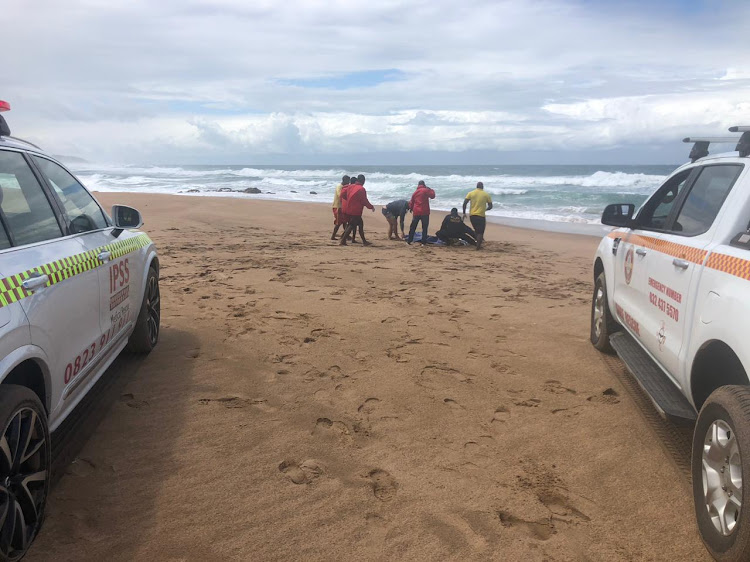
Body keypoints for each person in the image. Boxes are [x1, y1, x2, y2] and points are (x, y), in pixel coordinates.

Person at [340, 174, 374, 246]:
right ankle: (343, 241)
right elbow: (364, 201)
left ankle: (364, 241)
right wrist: (371, 207)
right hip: (356, 211)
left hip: (349, 209)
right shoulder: (361, 189)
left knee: (358, 224)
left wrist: (349, 199)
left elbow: (342, 193)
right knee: (352, 225)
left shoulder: (350, 186)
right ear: (363, 181)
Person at [463, 181, 492, 250]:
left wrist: (464, 213)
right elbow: (490, 206)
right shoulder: (486, 194)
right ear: (482, 187)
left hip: (472, 215)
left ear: (476, 186)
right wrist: (485, 209)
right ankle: (478, 246)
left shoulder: (471, 193)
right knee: (480, 232)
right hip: (481, 216)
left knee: (476, 230)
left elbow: (465, 203)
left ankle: (477, 243)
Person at [407, 180, 435, 245]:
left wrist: (411, 209)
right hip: (425, 212)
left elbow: (411, 202)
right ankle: (423, 242)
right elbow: (433, 196)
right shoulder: (426, 190)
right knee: (424, 228)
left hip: (416, 212)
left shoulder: (415, 192)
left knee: (413, 227)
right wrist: (430, 189)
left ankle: (409, 241)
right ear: (424, 184)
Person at [331, 175, 350, 240]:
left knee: (344, 222)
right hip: (338, 206)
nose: (349, 183)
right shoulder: (340, 186)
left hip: (342, 206)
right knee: (338, 223)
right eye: (348, 181)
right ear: (344, 180)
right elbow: (340, 195)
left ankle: (346, 235)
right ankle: (333, 236)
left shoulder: (343, 187)